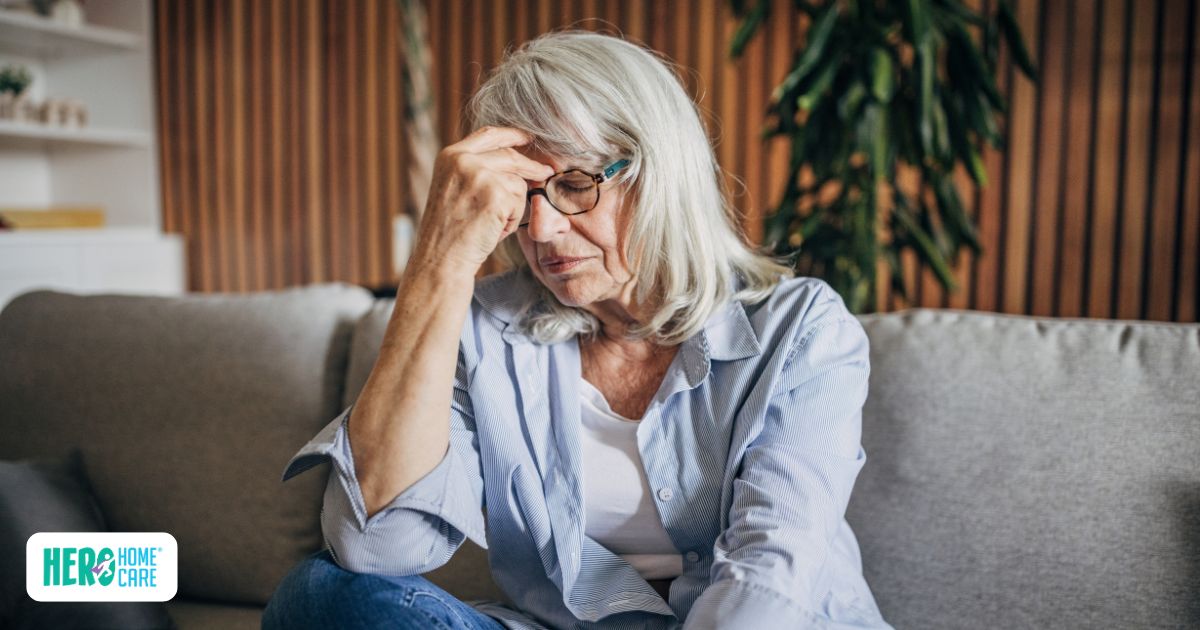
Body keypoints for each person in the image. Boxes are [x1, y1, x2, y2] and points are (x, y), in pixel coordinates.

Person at [263, 30, 891, 630]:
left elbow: (770, 575)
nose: (540, 231)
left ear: (658, 173)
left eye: (572, 184)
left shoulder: (801, 330)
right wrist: (439, 259)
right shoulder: (486, 329)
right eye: (525, 195)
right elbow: (376, 546)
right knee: (321, 595)